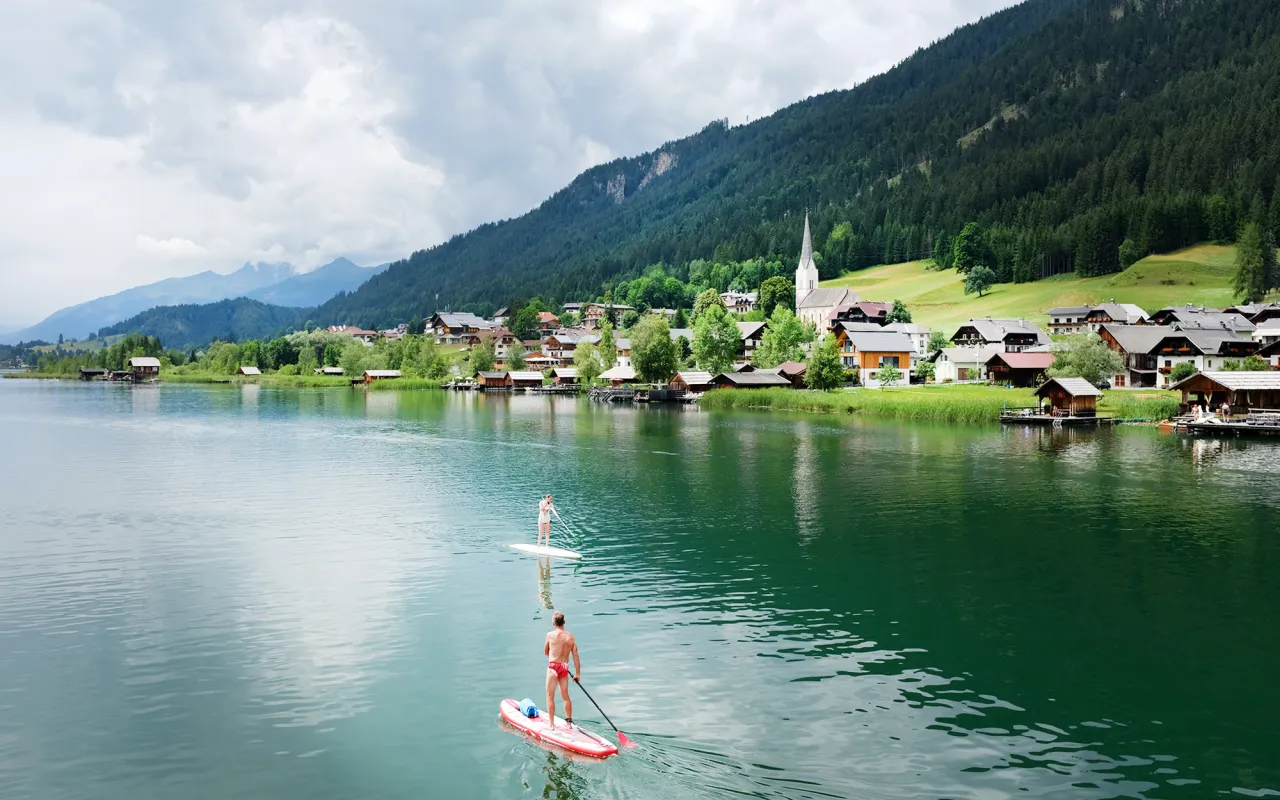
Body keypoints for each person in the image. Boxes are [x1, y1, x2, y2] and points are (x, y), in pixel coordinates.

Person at [543, 610, 580, 730]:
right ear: (564, 622)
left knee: (550, 696)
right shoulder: (571, 637)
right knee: (565, 695)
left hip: (553, 667)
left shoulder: (550, 635)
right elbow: (575, 656)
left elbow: (545, 652)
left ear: (554, 622)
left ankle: (551, 725)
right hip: (564, 667)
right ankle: (568, 723)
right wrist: (577, 674)